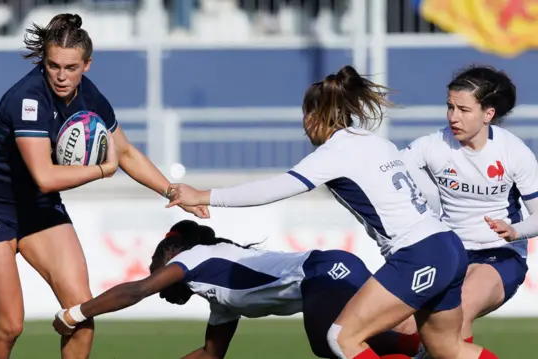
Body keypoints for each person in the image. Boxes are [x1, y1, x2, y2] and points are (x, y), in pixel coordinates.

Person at [163, 65, 499, 359]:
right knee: (447, 349)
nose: (305, 126)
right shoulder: (375, 141)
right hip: (448, 246)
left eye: (305, 117)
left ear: (315, 115)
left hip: (418, 253)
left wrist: (204, 195)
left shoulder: (335, 151)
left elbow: (274, 189)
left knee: (342, 338)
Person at [0, 13, 208, 359]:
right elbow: (45, 176)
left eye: (71, 67)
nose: (61, 76)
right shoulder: (27, 100)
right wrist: (104, 170)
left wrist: (171, 191)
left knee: (81, 313)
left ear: (87, 65)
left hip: (38, 208)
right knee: (10, 325)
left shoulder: (89, 96)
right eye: (53, 66)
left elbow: (127, 152)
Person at [53, 220, 422, 358]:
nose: (160, 283)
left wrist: (76, 312)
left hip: (324, 272)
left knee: (328, 341)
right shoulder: (221, 300)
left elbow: (136, 291)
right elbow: (211, 355)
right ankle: (422, 347)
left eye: (158, 267)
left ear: (171, 254)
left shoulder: (195, 257)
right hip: (334, 268)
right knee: (350, 341)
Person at [399, 65, 538, 358]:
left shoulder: (514, 152)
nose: (453, 117)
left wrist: (515, 231)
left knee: (457, 312)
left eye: (463, 109)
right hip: (450, 255)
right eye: (450, 107)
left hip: (500, 255)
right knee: (401, 326)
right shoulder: (431, 146)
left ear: (488, 114)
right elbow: (389, 176)